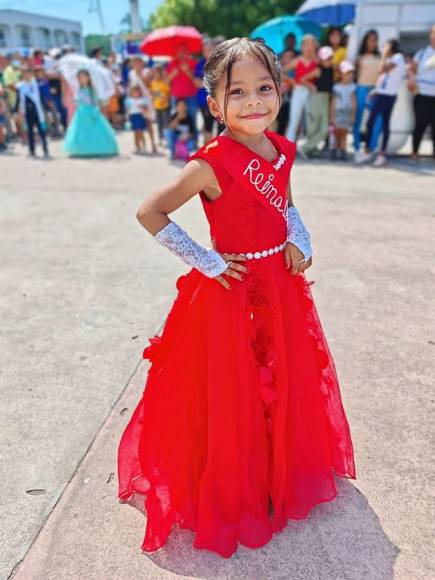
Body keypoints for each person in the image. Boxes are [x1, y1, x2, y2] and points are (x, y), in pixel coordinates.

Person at [117, 37, 356, 559]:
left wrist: (301, 237)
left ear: (280, 91)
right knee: (235, 388)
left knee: (281, 374)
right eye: (238, 91)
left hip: (281, 286)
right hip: (229, 293)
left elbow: (287, 205)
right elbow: (149, 213)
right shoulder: (210, 164)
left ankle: (278, 465)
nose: (254, 102)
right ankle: (241, 477)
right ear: (215, 105)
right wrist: (206, 260)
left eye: (264, 88)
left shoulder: (282, 150)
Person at [357, 39, 406, 167]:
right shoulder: (391, 59)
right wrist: (375, 91)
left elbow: (382, 69)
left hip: (388, 96)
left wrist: (384, 55)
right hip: (381, 94)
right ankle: (369, 151)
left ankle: (380, 153)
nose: (383, 47)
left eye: (385, 45)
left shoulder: (398, 57)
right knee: (372, 122)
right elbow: (383, 78)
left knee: (381, 123)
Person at [63, 69, 118, 157]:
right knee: (81, 131)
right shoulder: (79, 89)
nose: (82, 79)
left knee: (95, 130)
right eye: (80, 77)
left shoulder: (92, 89)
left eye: (84, 77)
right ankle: (81, 149)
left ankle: (97, 149)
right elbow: (80, 101)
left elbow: (96, 102)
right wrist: (76, 102)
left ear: (88, 78)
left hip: (91, 112)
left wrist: (95, 110)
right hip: (81, 112)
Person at [284, 34, 319, 144]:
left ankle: (309, 146)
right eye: (306, 44)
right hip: (299, 91)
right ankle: (288, 145)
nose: (309, 47)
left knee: (311, 120)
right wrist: (291, 81)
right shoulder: (298, 60)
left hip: (312, 92)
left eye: (312, 44)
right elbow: (281, 71)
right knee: (294, 119)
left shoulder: (317, 61)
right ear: (302, 46)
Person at [300, 45, 334, 158]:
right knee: (313, 127)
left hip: (325, 99)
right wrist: (311, 86)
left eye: (330, 58)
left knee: (324, 128)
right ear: (321, 59)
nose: (329, 60)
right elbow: (302, 79)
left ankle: (307, 148)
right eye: (326, 58)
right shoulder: (319, 70)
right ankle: (309, 149)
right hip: (316, 98)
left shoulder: (332, 70)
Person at [353, 30, 382, 159]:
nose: (372, 42)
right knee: (358, 118)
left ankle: (371, 146)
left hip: (375, 89)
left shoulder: (380, 57)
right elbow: (355, 75)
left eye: (375, 39)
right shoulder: (359, 57)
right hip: (361, 88)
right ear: (365, 41)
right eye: (370, 39)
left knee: (377, 119)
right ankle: (356, 147)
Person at [408, 24, 435, 161]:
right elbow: (411, 69)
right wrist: (412, 82)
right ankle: (414, 152)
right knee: (420, 124)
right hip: (422, 94)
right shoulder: (422, 52)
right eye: (433, 33)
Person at [166, 43, 199, 136]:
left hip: (190, 96)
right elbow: (166, 81)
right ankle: (178, 142)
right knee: (176, 118)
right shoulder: (171, 64)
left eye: (184, 51)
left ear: (187, 52)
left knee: (192, 118)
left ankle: (193, 141)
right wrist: (173, 74)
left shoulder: (193, 63)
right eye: (179, 51)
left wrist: (187, 71)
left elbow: (196, 83)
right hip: (176, 97)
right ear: (176, 52)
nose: (181, 53)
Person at [17, 67, 50, 158]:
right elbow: (19, 100)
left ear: (31, 75)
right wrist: (16, 111)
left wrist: (48, 110)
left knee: (42, 131)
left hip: (38, 111)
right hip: (27, 112)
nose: (27, 75)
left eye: (29, 73)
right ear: (23, 75)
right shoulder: (20, 86)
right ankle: (32, 150)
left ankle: (45, 149)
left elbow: (42, 99)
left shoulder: (37, 85)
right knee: (30, 132)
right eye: (25, 74)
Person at [330, 60, 356, 160]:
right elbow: (333, 102)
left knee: (344, 133)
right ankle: (334, 150)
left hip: (347, 112)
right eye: (347, 73)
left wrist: (353, 115)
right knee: (336, 133)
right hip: (338, 113)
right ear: (341, 74)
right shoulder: (336, 87)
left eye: (351, 74)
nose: (349, 76)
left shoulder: (353, 87)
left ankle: (343, 151)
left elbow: (354, 101)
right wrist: (332, 115)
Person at [149, 64, 171, 145]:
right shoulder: (153, 83)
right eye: (154, 72)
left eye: (157, 72)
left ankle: (166, 138)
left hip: (165, 106)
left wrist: (164, 100)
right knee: (159, 123)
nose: (155, 74)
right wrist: (153, 97)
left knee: (166, 123)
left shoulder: (164, 82)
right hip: (157, 106)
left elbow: (168, 93)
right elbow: (153, 93)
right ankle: (160, 138)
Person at [126, 85, 149, 154]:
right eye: (134, 92)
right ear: (131, 93)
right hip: (133, 116)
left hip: (140, 116)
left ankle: (144, 146)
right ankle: (137, 146)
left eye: (137, 92)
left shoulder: (143, 100)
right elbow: (128, 110)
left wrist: (142, 107)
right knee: (135, 133)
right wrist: (127, 118)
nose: (136, 93)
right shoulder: (129, 100)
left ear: (140, 92)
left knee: (141, 132)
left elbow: (146, 109)